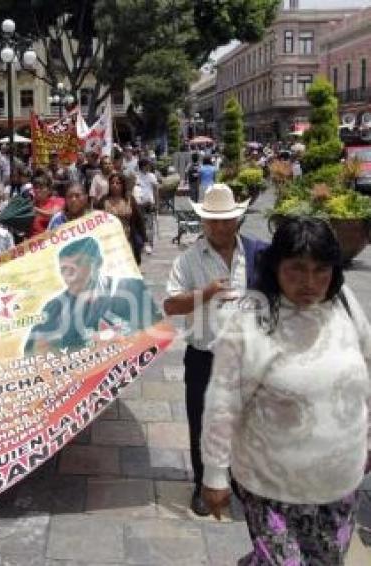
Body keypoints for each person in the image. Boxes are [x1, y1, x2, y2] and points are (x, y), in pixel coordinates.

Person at [201, 216, 370, 565]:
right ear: (276, 266)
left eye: (321, 269)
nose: (310, 282)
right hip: (270, 487)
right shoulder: (250, 320)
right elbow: (223, 400)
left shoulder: (344, 304)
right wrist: (215, 474)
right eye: (297, 269)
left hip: (339, 484)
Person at [163, 183, 262, 517]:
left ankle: (236, 480)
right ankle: (202, 485)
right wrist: (204, 293)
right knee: (203, 424)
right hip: (204, 359)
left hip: (247, 360)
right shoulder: (188, 260)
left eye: (226, 220)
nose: (220, 227)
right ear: (203, 222)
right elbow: (170, 305)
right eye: (212, 221)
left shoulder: (256, 254)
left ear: (237, 219)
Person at [23, 236, 160, 356]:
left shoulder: (130, 289)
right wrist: (42, 349)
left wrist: (126, 340)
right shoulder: (54, 308)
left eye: (79, 263)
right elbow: (31, 352)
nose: (71, 275)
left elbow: (156, 332)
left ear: (98, 262)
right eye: (64, 269)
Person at [97, 172, 147, 265]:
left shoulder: (129, 200)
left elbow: (138, 220)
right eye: (112, 183)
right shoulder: (103, 200)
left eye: (118, 183)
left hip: (126, 239)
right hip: (108, 242)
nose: (115, 185)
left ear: (123, 185)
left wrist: (144, 239)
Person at [29, 169, 64, 237]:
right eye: (35, 187)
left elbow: (53, 215)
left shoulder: (58, 201)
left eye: (41, 188)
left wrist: (35, 210)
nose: (37, 190)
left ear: (49, 190)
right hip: (32, 243)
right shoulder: (32, 203)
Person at [134, 159, 158, 255]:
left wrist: (156, 203)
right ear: (143, 166)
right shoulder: (137, 176)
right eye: (147, 165)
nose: (149, 167)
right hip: (139, 203)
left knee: (149, 225)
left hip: (149, 203)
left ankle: (150, 244)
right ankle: (142, 243)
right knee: (140, 224)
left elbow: (156, 189)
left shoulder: (151, 176)